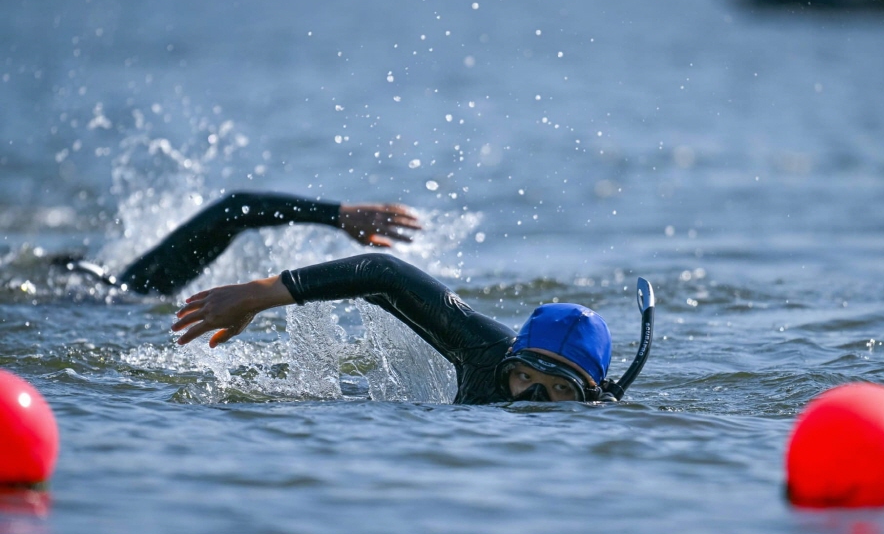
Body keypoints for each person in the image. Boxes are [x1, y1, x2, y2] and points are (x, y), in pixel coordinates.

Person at [170, 252, 635, 404]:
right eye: (526, 378)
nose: (534, 401)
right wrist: (261, 294)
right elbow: (383, 274)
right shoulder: (485, 352)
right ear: (510, 362)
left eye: (559, 390)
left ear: (590, 397)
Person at [58, 190, 422, 296]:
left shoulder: (138, 286)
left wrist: (337, 215)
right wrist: (335, 214)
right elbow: (233, 209)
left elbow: (235, 210)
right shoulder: (139, 288)